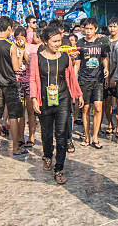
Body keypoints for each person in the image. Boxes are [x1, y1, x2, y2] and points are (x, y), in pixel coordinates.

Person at [30, 25, 83, 184]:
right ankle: (47, 155)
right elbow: (33, 79)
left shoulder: (66, 57)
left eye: (59, 41)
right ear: (45, 41)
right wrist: (33, 98)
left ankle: (59, 168)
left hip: (63, 99)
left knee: (61, 135)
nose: (57, 44)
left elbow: (72, 78)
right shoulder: (36, 58)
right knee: (47, 134)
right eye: (54, 41)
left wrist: (78, 94)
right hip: (44, 100)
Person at [0, 17, 26, 156]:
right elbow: (16, 67)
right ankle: (15, 148)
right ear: (9, 28)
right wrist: (21, 54)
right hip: (10, 85)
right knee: (13, 116)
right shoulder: (11, 46)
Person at [74, 18, 109, 149]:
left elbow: (105, 58)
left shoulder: (101, 43)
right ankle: (87, 136)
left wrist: (106, 68)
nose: (88, 31)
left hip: (98, 80)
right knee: (85, 109)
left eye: (90, 29)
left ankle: (95, 137)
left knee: (98, 107)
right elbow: (77, 63)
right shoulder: (80, 43)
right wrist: (73, 79)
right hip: (84, 79)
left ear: (96, 29)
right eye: (86, 29)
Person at [14, 26, 36, 148]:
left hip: (29, 82)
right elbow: (14, 66)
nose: (19, 41)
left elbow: (32, 65)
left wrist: (23, 52)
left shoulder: (32, 48)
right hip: (17, 82)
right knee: (20, 112)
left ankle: (31, 137)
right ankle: (21, 136)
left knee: (31, 111)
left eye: (21, 38)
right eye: (17, 39)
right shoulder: (13, 48)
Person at [104, 18, 118, 136]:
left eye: (114, 26)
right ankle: (110, 123)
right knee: (107, 103)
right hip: (105, 76)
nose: (112, 29)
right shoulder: (104, 41)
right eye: (110, 26)